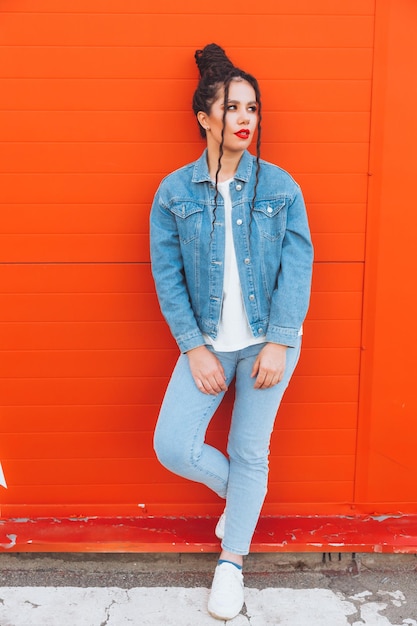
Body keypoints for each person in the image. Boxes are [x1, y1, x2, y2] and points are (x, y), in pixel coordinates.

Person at [150, 43, 313, 621]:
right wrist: (194, 348)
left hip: (270, 342)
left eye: (253, 108)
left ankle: (232, 559)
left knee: (249, 449)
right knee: (173, 445)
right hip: (210, 343)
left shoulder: (280, 187)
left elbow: (299, 267)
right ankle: (241, 500)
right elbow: (167, 279)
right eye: (232, 107)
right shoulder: (173, 194)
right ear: (204, 118)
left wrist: (280, 339)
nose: (246, 119)